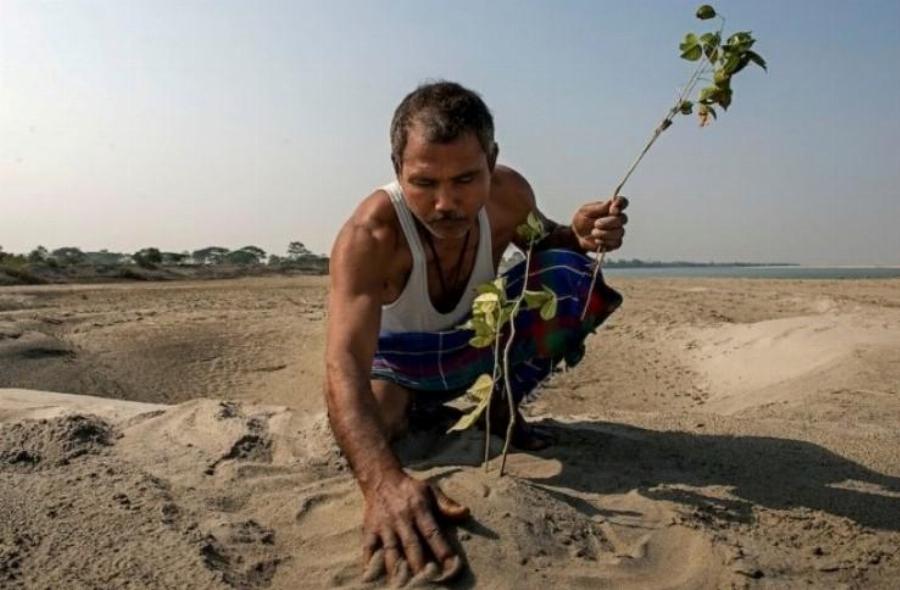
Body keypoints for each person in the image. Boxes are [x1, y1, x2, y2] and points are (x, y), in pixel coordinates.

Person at [324, 81, 628, 586]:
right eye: (424, 183)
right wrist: (382, 485)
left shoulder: (509, 195)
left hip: (475, 345)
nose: (446, 203)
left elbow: (545, 242)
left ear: (492, 160)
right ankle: (419, 407)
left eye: (466, 178)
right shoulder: (370, 235)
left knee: (571, 273)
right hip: (397, 362)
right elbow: (343, 363)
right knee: (381, 425)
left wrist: (577, 235)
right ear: (397, 167)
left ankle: (499, 407)